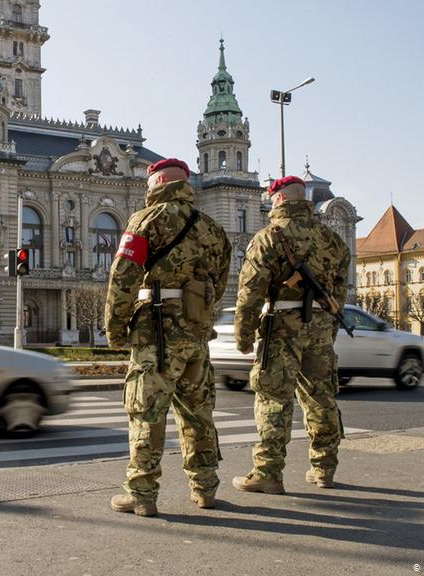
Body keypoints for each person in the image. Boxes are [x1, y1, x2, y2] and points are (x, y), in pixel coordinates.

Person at [104, 158, 231, 517]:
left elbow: (123, 277)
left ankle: (142, 493)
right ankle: (205, 488)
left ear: (156, 184)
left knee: (147, 411)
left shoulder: (145, 220)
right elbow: (219, 283)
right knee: (198, 412)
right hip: (196, 332)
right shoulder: (212, 228)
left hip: (156, 333)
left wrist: (116, 329)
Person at [233, 175, 350, 494]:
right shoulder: (332, 240)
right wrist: (329, 327)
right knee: (321, 396)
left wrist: (244, 336)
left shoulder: (269, 236)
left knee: (273, 397)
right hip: (321, 326)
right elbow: (339, 292)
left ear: (280, 199)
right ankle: (324, 468)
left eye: (272, 199)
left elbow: (250, 292)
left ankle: (268, 472)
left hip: (281, 326)